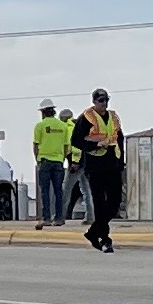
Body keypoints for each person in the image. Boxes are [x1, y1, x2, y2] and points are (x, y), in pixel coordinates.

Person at [73, 88, 126, 251]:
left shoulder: (113, 117)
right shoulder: (87, 118)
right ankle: (104, 238)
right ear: (94, 102)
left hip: (112, 164)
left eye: (106, 100)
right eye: (101, 101)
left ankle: (93, 232)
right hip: (95, 165)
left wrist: (121, 162)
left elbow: (119, 138)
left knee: (115, 202)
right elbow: (76, 140)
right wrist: (95, 145)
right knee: (100, 203)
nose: (104, 104)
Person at [31, 102, 72, 228]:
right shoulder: (63, 126)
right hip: (58, 161)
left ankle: (46, 218)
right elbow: (66, 146)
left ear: (43, 112)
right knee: (58, 191)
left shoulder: (40, 126)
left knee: (45, 191)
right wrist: (62, 158)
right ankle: (59, 218)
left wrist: (37, 160)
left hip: (44, 161)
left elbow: (36, 145)